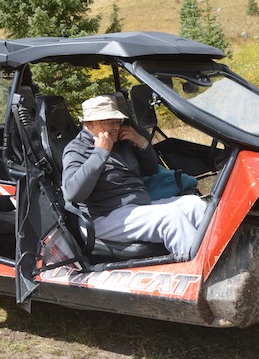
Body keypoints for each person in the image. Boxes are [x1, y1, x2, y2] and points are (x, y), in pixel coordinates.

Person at [61, 94, 206, 256]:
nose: (116, 126)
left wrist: (141, 142)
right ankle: (206, 274)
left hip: (137, 207)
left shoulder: (121, 142)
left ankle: (224, 257)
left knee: (196, 205)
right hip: (104, 217)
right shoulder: (76, 149)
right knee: (171, 219)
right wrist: (100, 153)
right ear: (90, 124)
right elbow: (72, 193)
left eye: (117, 121)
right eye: (109, 122)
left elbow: (151, 169)